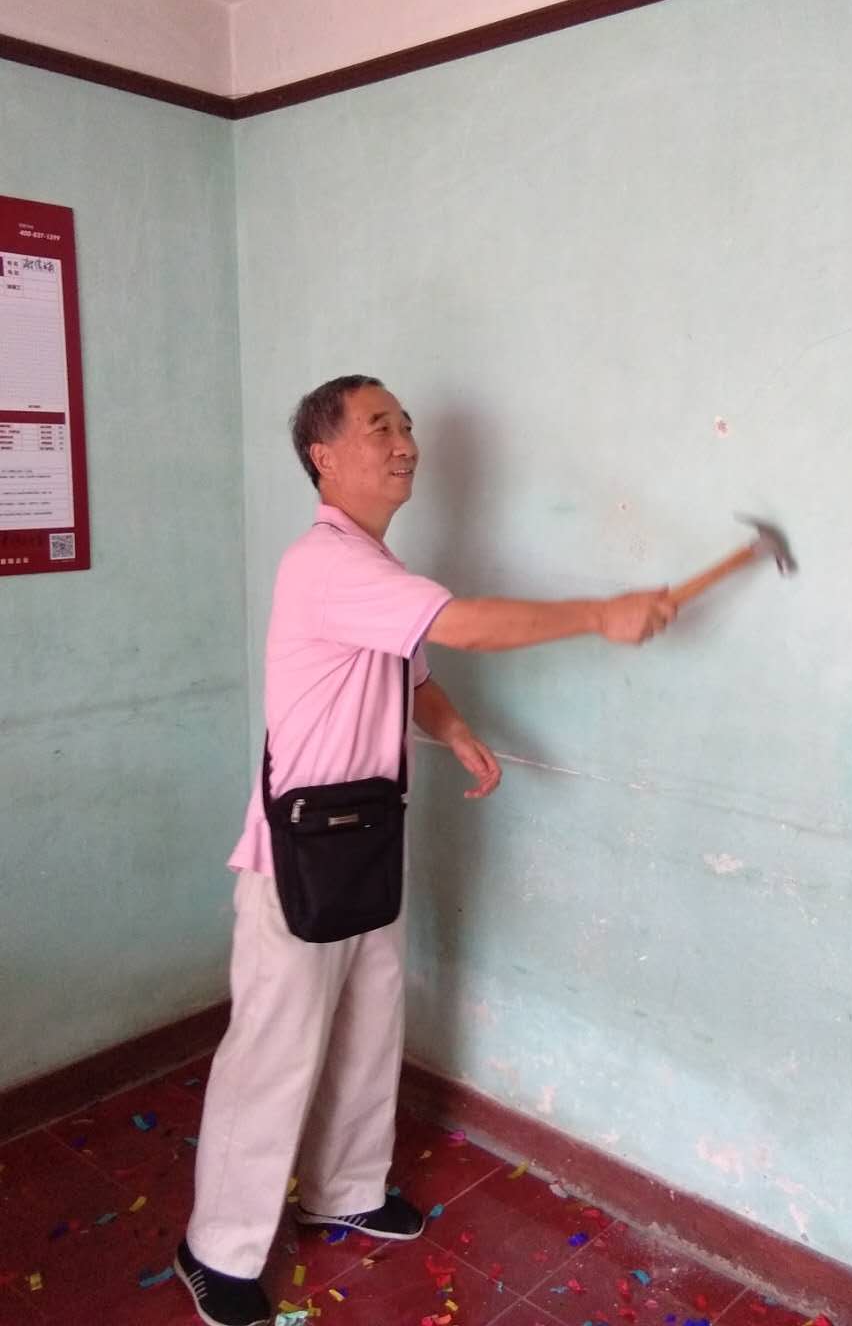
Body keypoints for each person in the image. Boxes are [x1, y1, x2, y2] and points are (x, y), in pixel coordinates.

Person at [176, 374, 676, 1326]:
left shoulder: (377, 566)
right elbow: (463, 625)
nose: (405, 442)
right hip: (298, 857)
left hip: (364, 840)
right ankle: (216, 1250)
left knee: (369, 1028)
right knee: (273, 1055)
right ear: (324, 457)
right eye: (380, 427)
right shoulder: (325, 562)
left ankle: (345, 1191)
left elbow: (411, 675)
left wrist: (454, 732)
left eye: (406, 426)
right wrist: (599, 612)